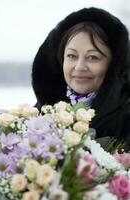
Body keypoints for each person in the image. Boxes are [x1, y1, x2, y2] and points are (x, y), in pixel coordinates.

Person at [32, 7, 130, 146]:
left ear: (113, 65)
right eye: (72, 56)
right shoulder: (40, 113)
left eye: (93, 57)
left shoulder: (125, 120)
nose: (79, 67)